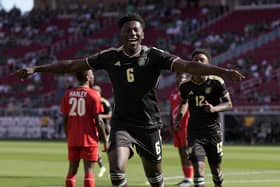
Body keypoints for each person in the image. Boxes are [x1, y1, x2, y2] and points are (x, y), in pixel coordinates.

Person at [16, 14, 244, 187]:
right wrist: (37, 68)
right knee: (116, 171)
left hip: (149, 125)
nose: (132, 33)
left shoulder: (154, 56)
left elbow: (189, 65)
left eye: (136, 30)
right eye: (128, 30)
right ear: (121, 34)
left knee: (155, 178)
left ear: (142, 34)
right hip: (122, 123)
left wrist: (223, 71)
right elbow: (72, 65)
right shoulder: (110, 57)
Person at [177, 48, 233, 187]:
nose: (198, 63)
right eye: (195, 60)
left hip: (213, 132)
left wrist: (214, 108)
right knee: (198, 168)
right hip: (194, 132)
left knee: (216, 169)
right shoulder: (185, 86)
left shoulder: (216, 82)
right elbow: (184, 102)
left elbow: (229, 104)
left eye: (202, 60)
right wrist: (179, 116)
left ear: (208, 64)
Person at [61, 70, 107, 187]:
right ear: (87, 77)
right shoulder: (94, 95)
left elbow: (65, 120)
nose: (93, 76)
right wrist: (105, 141)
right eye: (92, 74)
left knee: (72, 171)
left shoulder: (68, 94)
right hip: (89, 139)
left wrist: (68, 136)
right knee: (89, 172)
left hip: (73, 138)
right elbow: (99, 121)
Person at [169, 73, 193, 187]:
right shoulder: (173, 92)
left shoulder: (188, 91)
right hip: (176, 126)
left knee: (186, 151)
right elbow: (171, 109)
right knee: (181, 152)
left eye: (182, 77)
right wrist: (171, 124)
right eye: (178, 77)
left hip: (186, 125)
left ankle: (190, 178)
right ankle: (186, 178)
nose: (179, 79)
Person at [93, 85, 113, 178]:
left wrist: (101, 117)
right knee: (94, 149)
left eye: (95, 91)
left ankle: (111, 170)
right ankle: (102, 167)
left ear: (99, 92)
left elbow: (110, 114)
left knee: (108, 150)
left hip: (105, 128)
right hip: (95, 128)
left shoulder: (105, 102)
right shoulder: (92, 101)